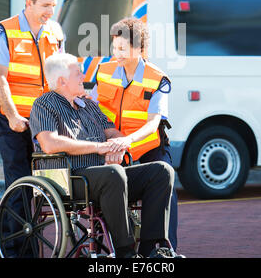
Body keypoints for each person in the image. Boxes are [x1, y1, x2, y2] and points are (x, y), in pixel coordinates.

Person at [29, 53, 180, 258]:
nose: (83, 76)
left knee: (162, 171)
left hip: (105, 174)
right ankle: (125, 252)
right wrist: (98, 148)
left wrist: (117, 146)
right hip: (71, 177)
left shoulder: (88, 105)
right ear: (62, 80)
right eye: (78, 73)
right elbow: (49, 143)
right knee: (113, 173)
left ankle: (151, 249)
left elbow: (111, 132)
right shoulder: (44, 104)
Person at [0, 0, 64, 257]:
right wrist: (14, 115)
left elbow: (59, 76)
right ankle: (15, 252)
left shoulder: (54, 31)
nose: (50, 12)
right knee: (19, 185)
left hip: (43, 120)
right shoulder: (3, 31)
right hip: (12, 118)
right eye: (45, 5)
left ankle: (21, 249)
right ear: (28, 2)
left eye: (53, 5)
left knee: (48, 186)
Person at [91, 17, 178, 251]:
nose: (116, 53)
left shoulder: (157, 78)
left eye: (122, 48)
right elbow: (92, 109)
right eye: (114, 47)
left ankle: (157, 249)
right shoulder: (104, 71)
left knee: (165, 180)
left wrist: (127, 140)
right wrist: (111, 143)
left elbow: (152, 124)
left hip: (148, 148)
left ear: (140, 49)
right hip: (112, 147)